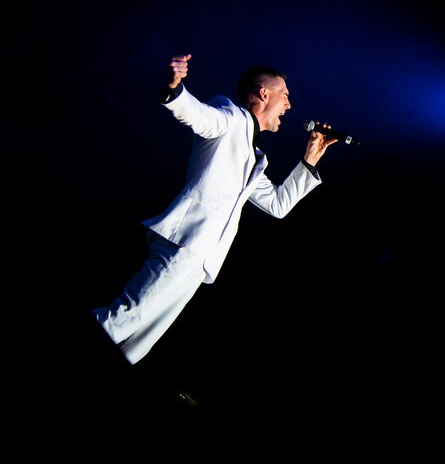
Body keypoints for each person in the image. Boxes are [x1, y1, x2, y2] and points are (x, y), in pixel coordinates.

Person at [91, 53, 338, 365]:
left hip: (202, 261)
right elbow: (198, 115)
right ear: (264, 93)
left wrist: (311, 159)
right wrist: (174, 88)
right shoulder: (230, 117)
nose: (289, 105)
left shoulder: (253, 156)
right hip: (185, 243)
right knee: (123, 318)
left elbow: (278, 205)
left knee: (135, 346)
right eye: (285, 95)